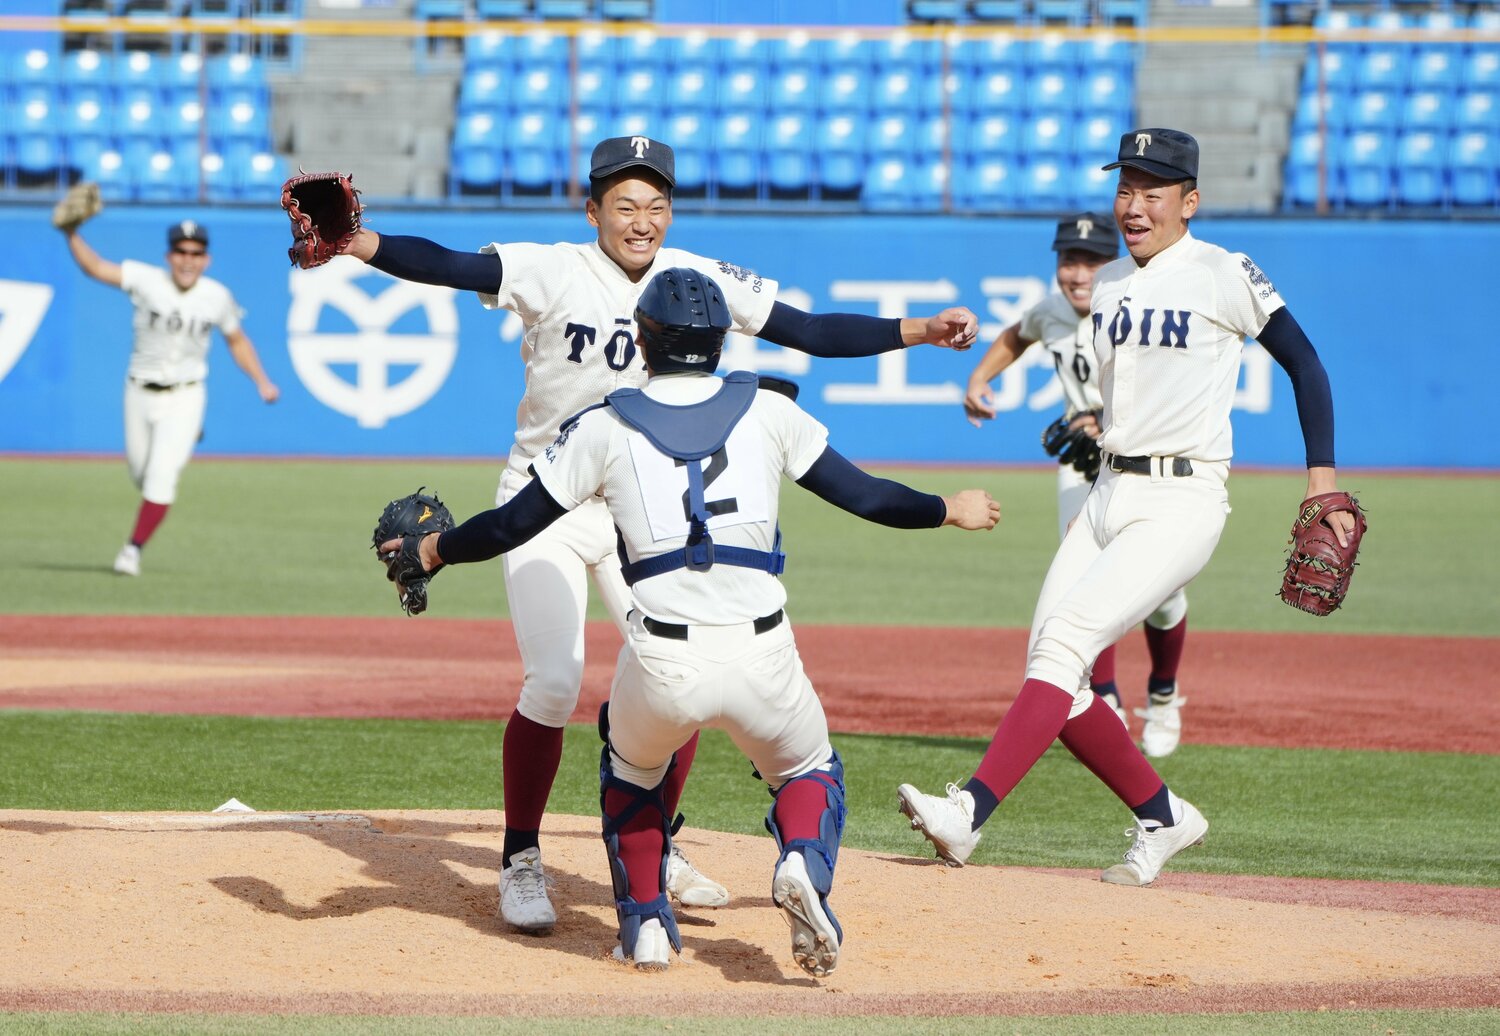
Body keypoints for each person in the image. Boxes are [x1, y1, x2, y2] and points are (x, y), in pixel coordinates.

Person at [340, 136, 980, 933]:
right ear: (593, 210)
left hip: (642, 513)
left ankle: (659, 844)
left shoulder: (695, 278)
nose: (641, 220)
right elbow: (451, 266)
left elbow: (808, 331)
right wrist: (360, 243)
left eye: (655, 204)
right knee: (554, 683)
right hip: (545, 503)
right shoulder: (556, 267)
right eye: (624, 204)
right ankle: (521, 858)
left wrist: (917, 330)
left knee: (678, 658)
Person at [898, 128, 1356, 886]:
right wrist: (1100, 444)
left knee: (1067, 640)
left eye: (1152, 190)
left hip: (1182, 497)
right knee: (1055, 664)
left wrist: (1321, 478)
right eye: (1125, 188)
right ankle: (1163, 815)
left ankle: (969, 814)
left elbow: (1305, 363)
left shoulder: (1222, 272)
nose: (1133, 205)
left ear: (1190, 201)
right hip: (1110, 489)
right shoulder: (1107, 282)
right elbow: (1125, 394)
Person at [962, 213, 1193, 757]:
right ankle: (1105, 696)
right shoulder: (1053, 312)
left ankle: (1163, 693)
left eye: (1091, 260)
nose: (1079, 272)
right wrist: (978, 379)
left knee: (1163, 596)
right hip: (1085, 463)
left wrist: (1112, 421)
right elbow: (1017, 335)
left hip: (1150, 460)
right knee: (1090, 571)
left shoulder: (1144, 303)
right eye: (1070, 260)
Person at [59, 217, 280, 576]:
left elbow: (236, 340)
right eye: (181, 251)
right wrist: (70, 234)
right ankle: (184, 437)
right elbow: (95, 268)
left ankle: (132, 550)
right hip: (139, 390)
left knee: (162, 478)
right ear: (169, 255)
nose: (188, 259)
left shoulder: (216, 296)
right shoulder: (147, 280)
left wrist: (261, 380)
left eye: (196, 252)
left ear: (206, 260)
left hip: (186, 394)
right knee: (142, 474)